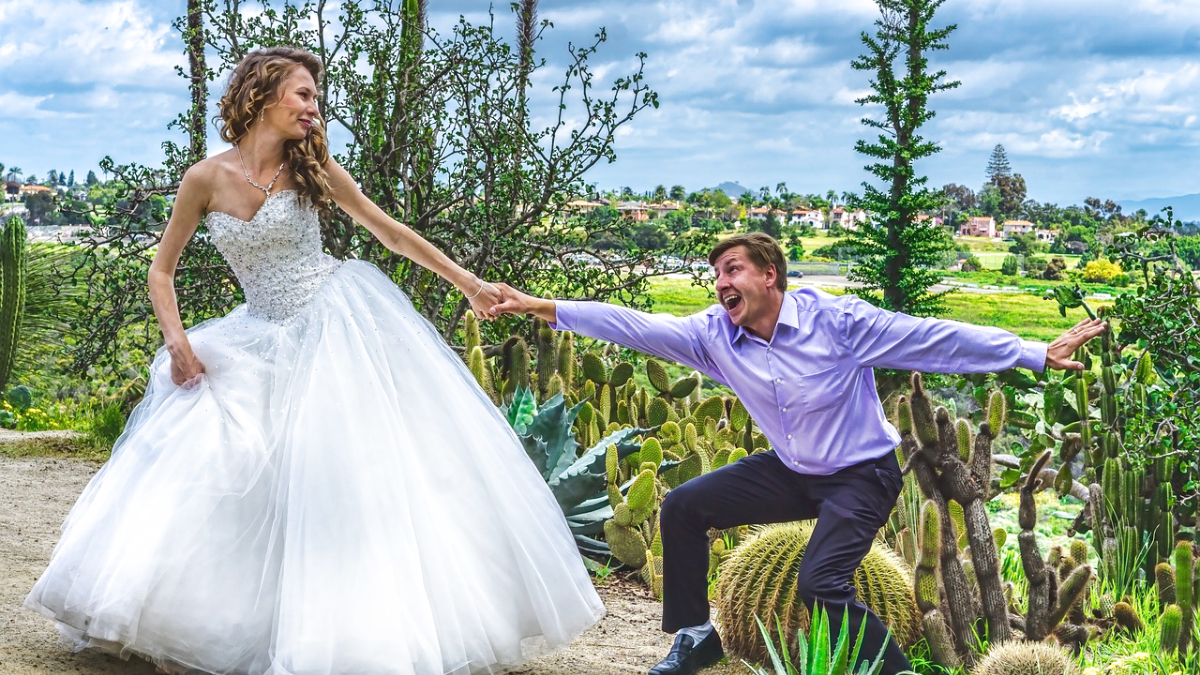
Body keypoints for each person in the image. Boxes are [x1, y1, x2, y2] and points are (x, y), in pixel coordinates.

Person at [25, 47, 604, 675]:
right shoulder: (205, 179)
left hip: (334, 325)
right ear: (263, 96)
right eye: (303, 94)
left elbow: (389, 230)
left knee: (338, 480)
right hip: (255, 336)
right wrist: (178, 344)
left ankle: (339, 632)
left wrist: (467, 282)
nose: (314, 107)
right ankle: (209, 627)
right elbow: (161, 272)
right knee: (224, 466)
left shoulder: (313, 167)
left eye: (315, 97)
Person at [490, 232, 1106, 675]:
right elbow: (633, 325)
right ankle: (698, 636)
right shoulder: (714, 335)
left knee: (819, 582)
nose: (721, 283)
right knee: (681, 507)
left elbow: (930, 338)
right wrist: (541, 307)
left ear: (769, 275)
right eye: (715, 275)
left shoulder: (835, 322)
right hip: (792, 469)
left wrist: (1031, 352)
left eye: (732, 269)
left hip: (861, 474)